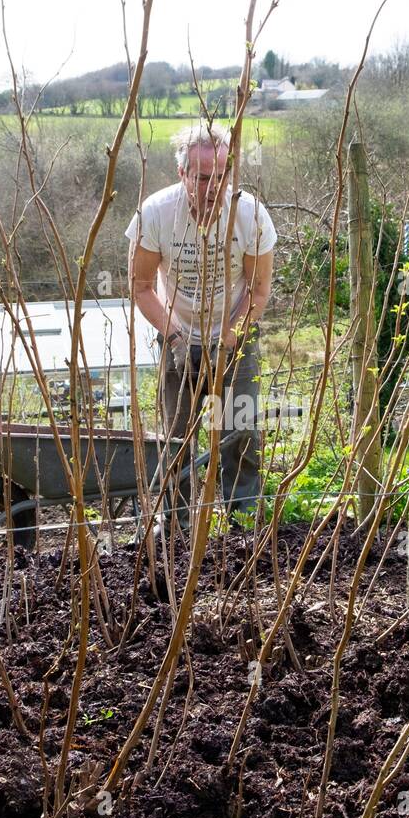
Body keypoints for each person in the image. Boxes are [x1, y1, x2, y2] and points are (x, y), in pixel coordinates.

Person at [125, 123, 276, 531]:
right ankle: (174, 527)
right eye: (203, 177)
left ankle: (245, 523)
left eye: (223, 176)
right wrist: (175, 338)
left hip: (236, 335)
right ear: (182, 174)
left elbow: (259, 290)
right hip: (177, 332)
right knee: (176, 439)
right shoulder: (155, 214)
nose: (214, 187)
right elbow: (140, 287)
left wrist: (230, 338)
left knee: (240, 431)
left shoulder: (249, 215)